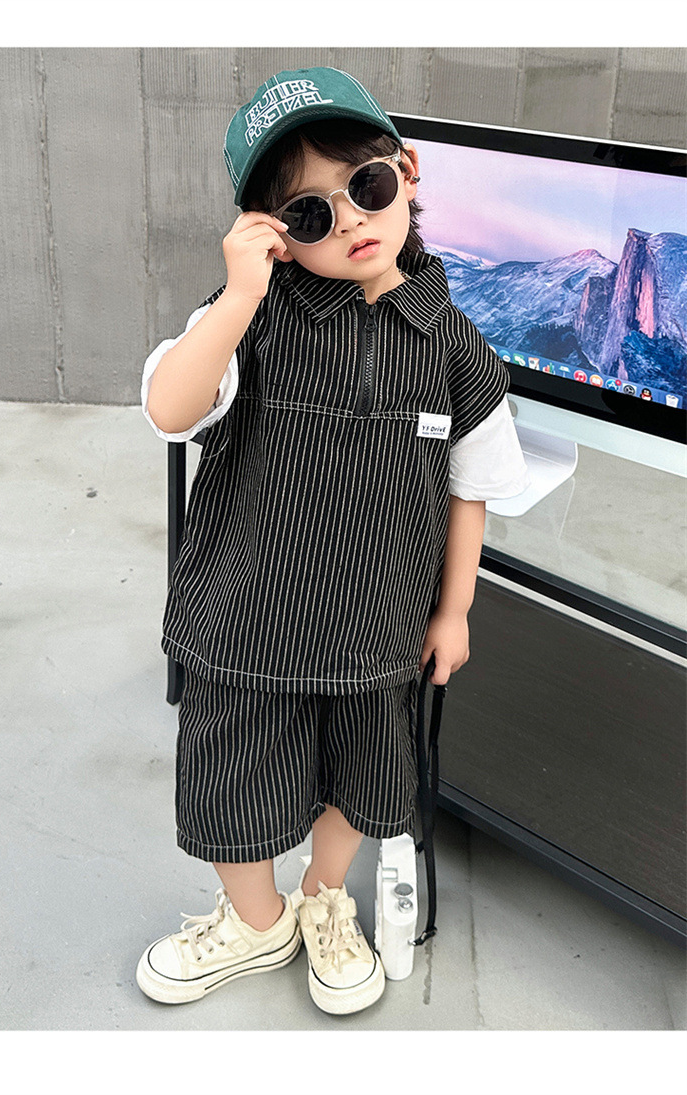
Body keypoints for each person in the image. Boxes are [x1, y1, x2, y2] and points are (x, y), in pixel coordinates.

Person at [135, 67, 530, 1015]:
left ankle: (322, 897)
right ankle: (255, 919)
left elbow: (471, 488)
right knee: (231, 776)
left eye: (367, 184)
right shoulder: (256, 319)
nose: (349, 218)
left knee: (364, 773)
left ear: (408, 171)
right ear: (272, 231)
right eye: (309, 213)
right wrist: (238, 297)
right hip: (248, 616)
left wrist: (454, 611)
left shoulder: (452, 345)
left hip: (377, 625)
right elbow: (170, 408)